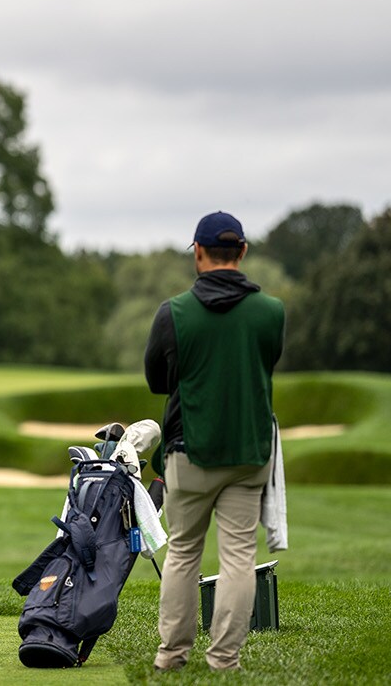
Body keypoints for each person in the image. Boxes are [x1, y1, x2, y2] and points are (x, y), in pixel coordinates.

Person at [144, 212, 285, 672]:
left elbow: (157, 380)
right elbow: (264, 362)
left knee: (184, 551)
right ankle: (225, 659)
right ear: (242, 251)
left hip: (189, 451)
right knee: (239, 555)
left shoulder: (173, 312)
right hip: (248, 452)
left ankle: (172, 656)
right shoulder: (271, 312)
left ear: (198, 253)